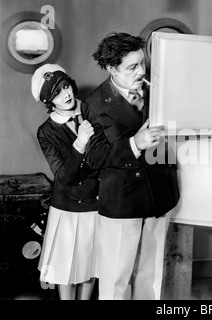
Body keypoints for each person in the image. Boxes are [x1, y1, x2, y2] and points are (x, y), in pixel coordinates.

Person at [81, 32, 180, 300]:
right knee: (116, 279)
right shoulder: (93, 103)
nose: (142, 71)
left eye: (142, 63)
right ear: (113, 69)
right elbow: (94, 158)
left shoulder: (160, 89)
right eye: (132, 66)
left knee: (151, 274)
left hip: (160, 192)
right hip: (123, 199)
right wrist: (135, 144)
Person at [32, 64, 99, 300]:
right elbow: (63, 177)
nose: (67, 94)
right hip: (67, 209)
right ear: (49, 101)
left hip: (95, 205)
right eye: (58, 93)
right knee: (66, 272)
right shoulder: (46, 131)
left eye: (66, 86)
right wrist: (79, 144)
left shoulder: (91, 112)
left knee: (89, 270)